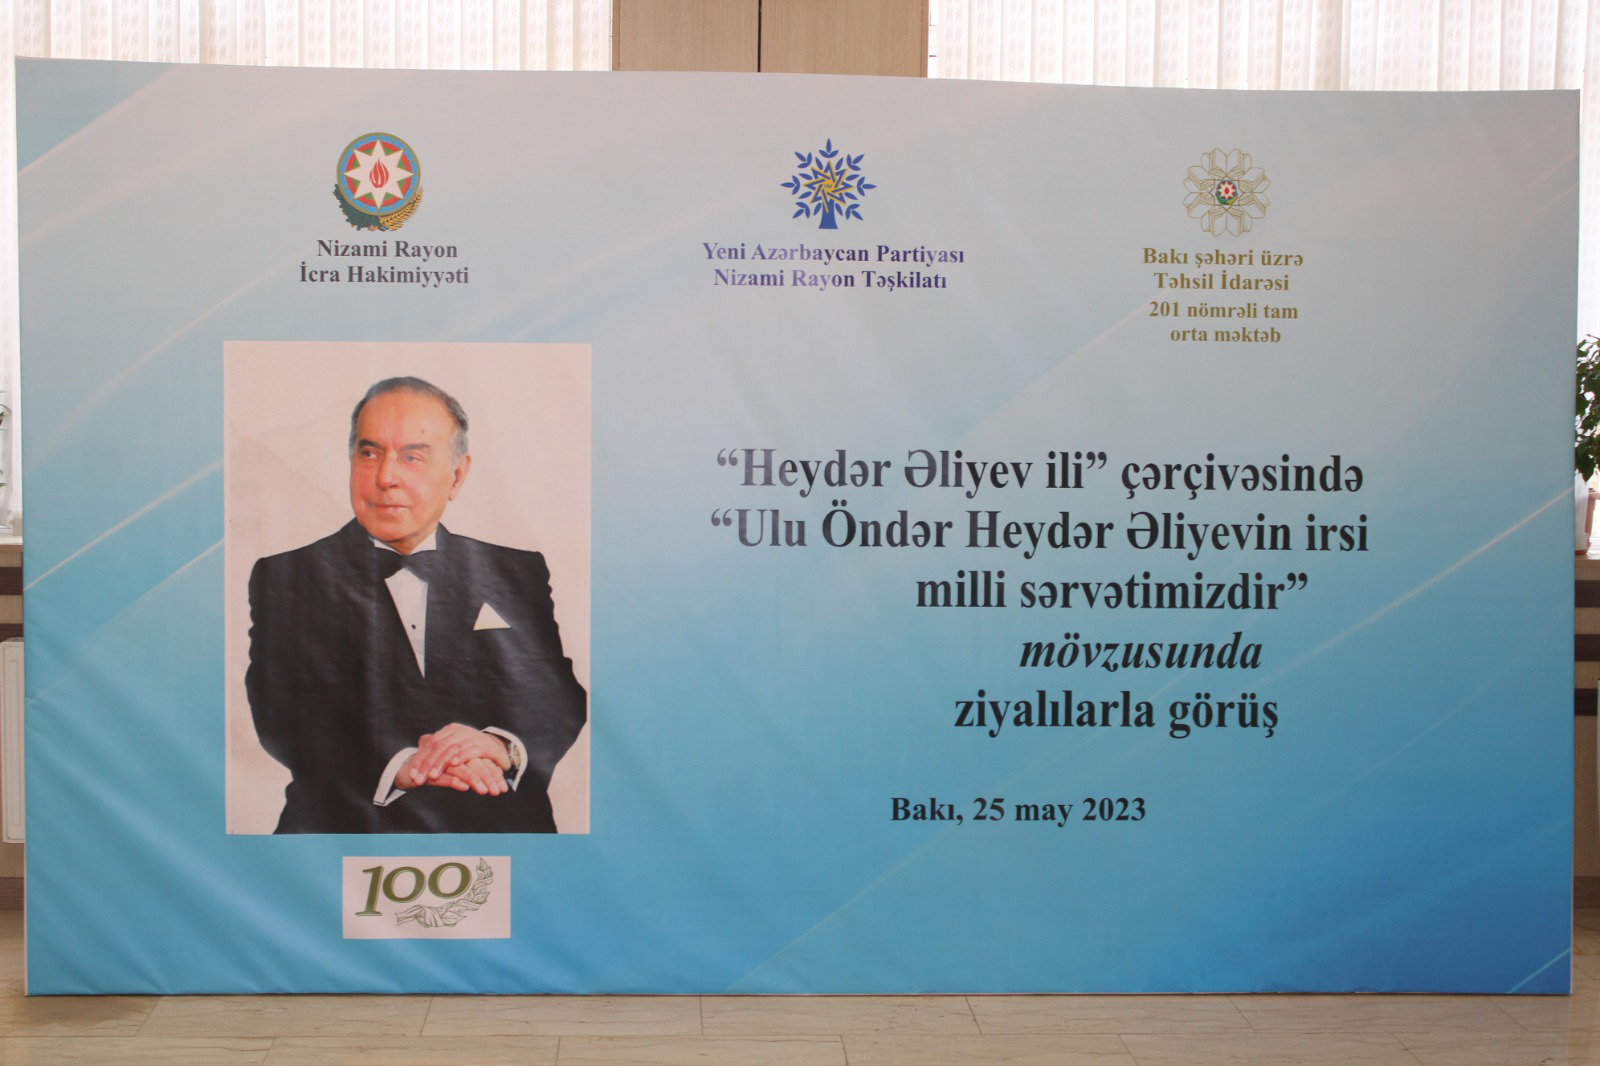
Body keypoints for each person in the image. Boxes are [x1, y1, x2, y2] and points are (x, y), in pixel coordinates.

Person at [246, 376, 587, 833]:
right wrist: (404, 765)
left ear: (458, 475)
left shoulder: (518, 570)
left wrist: (498, 745)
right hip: (341, 837)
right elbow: (280, 712)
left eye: (413, 456)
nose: (386, 477)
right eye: (369, 453)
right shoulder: (286, 576)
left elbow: (555, 695)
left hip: (502, 834)